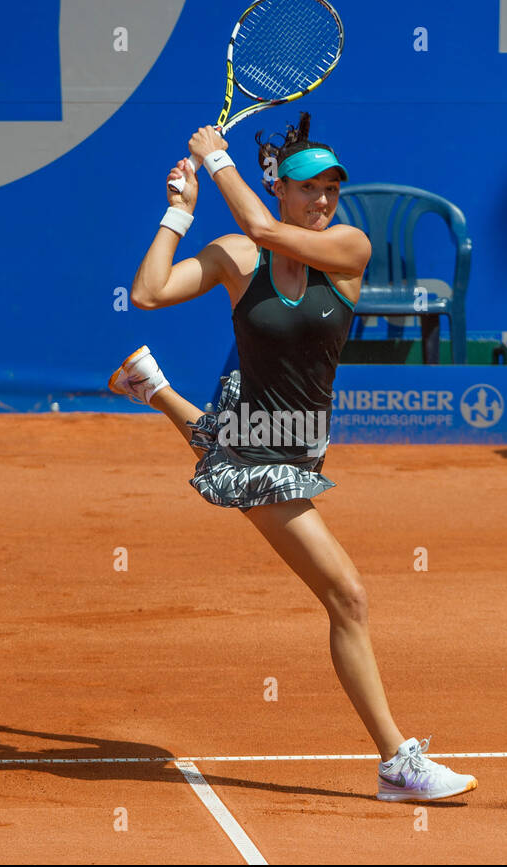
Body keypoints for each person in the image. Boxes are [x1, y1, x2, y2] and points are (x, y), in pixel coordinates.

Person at [109, 114, 477, 802]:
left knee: (223, 450)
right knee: (348, 596)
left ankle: (151, 387)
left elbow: (267, 233)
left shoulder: (349, 246)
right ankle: (396, 761)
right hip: (262, 450)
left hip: (293, 440)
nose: (324, 200)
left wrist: (219, 164)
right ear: (280, 187)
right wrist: (176, 212)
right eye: (310, 189)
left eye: (333, 188)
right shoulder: (234, 256)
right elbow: (149, 292)